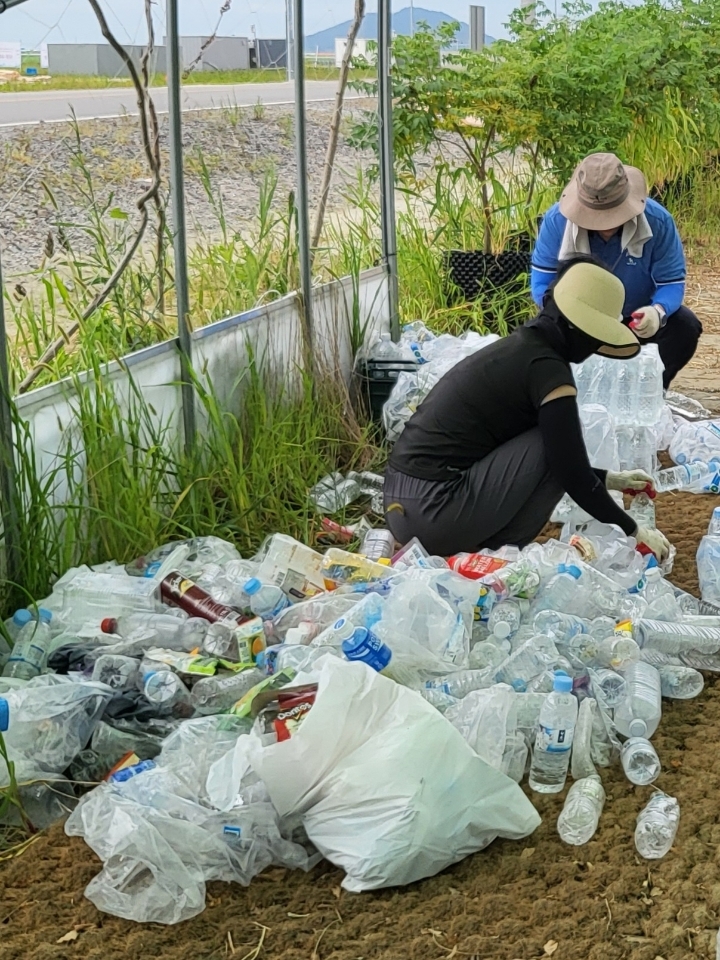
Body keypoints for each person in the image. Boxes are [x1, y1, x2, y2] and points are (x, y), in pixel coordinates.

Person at [383, 258, 671, 561]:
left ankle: (490, 552)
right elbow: (569, 469)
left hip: (402, 506)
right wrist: (635, 531)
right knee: (551, 446)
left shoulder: (520, 349)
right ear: (578, 328)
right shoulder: (547, 371)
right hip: (434, 511)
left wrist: (613, 479)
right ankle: (497, 554)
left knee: (553, 445)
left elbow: (560, 466)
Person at [531, 152, 701, 389]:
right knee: (541, 335)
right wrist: (570, 314)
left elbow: (671, 283)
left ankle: (650, 391)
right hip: (577, 321)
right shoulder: (556, 222)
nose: (605, 225)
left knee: (685, 326)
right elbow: (541, 282)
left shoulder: (659, 222)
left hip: (635, 320)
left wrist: (657, 312)